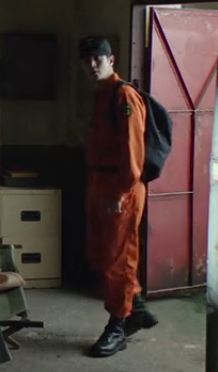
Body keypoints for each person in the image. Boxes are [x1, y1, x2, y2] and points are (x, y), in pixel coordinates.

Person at [79, 36, 158, 358]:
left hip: (120, 186)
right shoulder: (103, 95)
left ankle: (118, 326)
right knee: (101, 253)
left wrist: (122, 192)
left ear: (111, 59)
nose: (92, 64)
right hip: (100, 182)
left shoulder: (123, 95)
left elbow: (133, 151)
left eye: (97, 58)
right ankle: (135, 308)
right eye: (87, 60)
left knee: (118, 260)